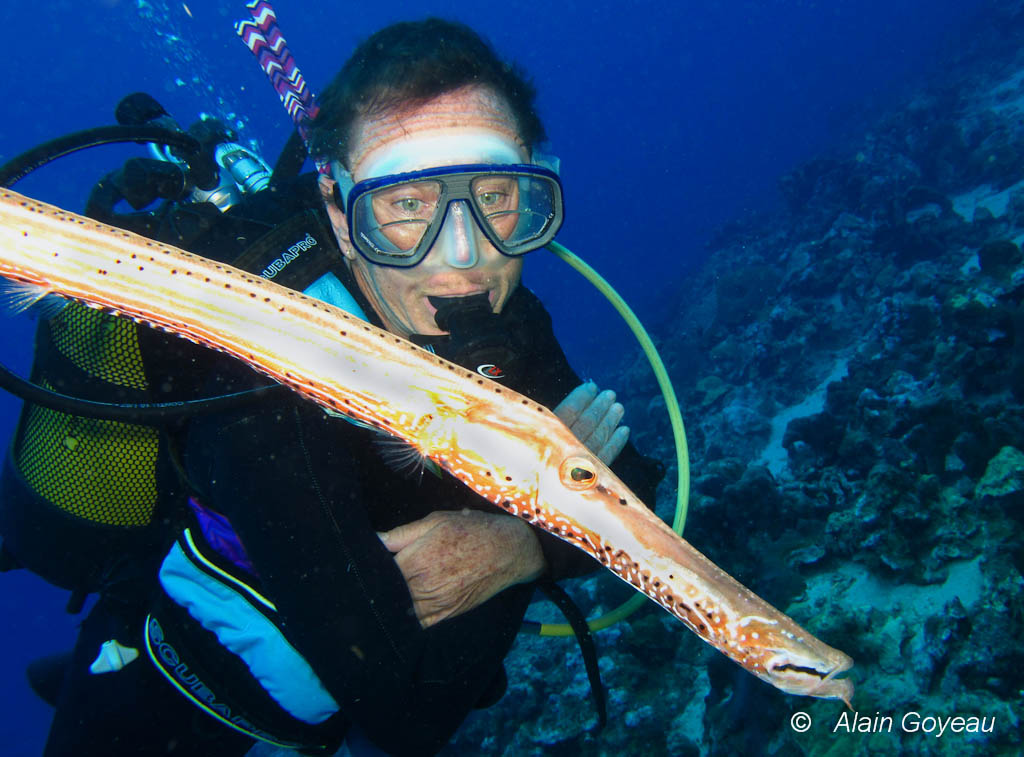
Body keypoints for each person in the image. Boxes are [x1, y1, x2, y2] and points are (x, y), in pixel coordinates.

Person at [27, 18, 662, 756]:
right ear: (338, 209)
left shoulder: (500, 311)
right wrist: (545, 518)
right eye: (405, 207)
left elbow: (639, 485)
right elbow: (408, 714)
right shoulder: (266, 376)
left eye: (494, 196)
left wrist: (518, 545)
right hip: (172, 705)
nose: (463, 259)